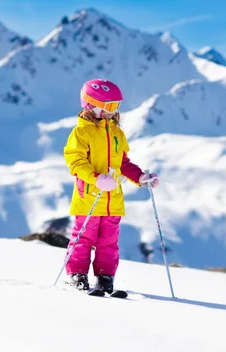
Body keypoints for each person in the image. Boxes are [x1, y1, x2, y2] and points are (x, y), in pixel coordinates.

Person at [63, 78, 159, 294]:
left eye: (116, 106)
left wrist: (141, 177)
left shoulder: (116, 133)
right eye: (109, 106)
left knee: (109, 242)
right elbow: (76, 162)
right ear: (90, 104)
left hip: (112, 200)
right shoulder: (81, 133)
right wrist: (96, 178)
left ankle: (105, 277)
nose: (113, 111)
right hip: (89, 197)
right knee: (83, 238)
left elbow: (123, 164)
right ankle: (75, 275)